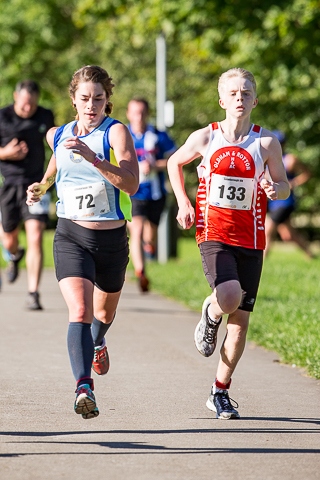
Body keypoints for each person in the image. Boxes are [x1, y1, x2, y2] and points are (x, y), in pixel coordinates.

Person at [167, 68, 290, 419]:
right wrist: (184, 202)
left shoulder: (266, 143)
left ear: (255, 99)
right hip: (213, 232)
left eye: (246, 92)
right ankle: (210, 310)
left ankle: (219, 391)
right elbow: (175, 162)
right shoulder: (206, 138)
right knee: (229, 295)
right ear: (222, 101)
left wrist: (274, 189)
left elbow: (284, 185)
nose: (240, 98)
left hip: (251, 237)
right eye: (233, 93)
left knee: (240, 320)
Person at [26, 65, 139, 419]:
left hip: (110, 240)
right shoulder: (57, 134)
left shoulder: (115, 132)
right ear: (73, 100)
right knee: (80, 310)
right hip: (71, 235)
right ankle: (83, 387)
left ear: (108, 101)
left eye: (99, 99)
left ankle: (99, 340)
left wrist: (93, 158)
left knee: (103, 314)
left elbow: (131, 184)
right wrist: (41, 186)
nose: (92, 106)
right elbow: (54, 168)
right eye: (85, 99)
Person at [0, 80, 55, 310]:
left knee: (35, 236)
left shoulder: (45, 116)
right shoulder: (3, 117)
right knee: (9, 239)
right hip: (9, 185)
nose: (27, 109)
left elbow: (55, 146)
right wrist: (5, 153)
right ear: (15, 97)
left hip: (35, 186)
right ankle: (14, 255)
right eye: (24, 104)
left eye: (32, 105)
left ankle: (33, 292)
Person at [126, 98, 176, 292]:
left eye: (141, 112)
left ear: (147, 114)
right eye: (134, 112)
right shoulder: (122, 135)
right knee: (136, 231)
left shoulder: (158, 135)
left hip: (156, 193)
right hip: (132, 192)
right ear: (128, 114)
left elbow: (174, 158)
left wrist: (155, 165)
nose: (138, 117)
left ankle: (150, 246)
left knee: (150, 234)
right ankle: (141, 272)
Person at [264, 130, 313, 258]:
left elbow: (307, 173)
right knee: (288, 235)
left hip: (285, 201)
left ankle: (261, 262)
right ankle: (311, 255)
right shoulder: (267, 159)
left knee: (268, 229)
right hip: (273, 201)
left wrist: (293, 183)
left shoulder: (290, 159)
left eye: (281, 143)